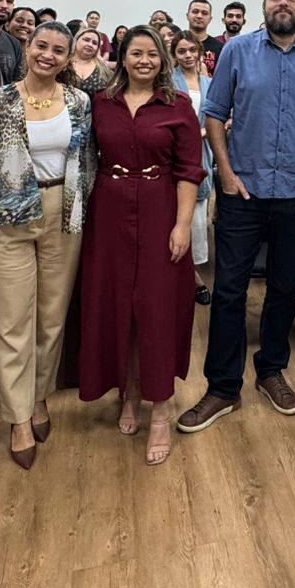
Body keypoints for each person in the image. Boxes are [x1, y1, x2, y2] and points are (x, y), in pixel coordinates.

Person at [178, 0, 295, 433]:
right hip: (243, 193)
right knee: (228, 292)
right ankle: (222, 387)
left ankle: (271, 371)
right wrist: (225, 173)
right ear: (264, 4)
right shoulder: (236, 52)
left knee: (284, 290)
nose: (283, 3)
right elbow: (213, 115)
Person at [79, 27, 205, 465]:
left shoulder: (177, 106)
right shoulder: (101, 103)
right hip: (108, 213)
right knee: (117, 305)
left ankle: (160, 409)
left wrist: (183, 225)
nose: (145, 61)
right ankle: (128, 392)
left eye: (153, 54)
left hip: (160, 209)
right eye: (136, 53)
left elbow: (190, 169)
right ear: (123, 58)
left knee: (155, 309)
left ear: (164, 59)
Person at [0, 21, 94, 468]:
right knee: (11, 320)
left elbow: (86, 160)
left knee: (51, 316)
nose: (48, 55)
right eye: (41, 46)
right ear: (26, 49)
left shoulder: (78, 100)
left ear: (69, 59)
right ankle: (17, 417)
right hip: (9, 214)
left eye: (58, 50)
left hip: (62, 210)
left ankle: (41, 395)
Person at [171, 29, 215, 305]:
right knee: (174, 215)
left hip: (201, 155)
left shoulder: (208, 82)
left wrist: (204, 132)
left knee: (197, 219)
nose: (187, 55)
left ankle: (193, 273)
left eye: (192, 50)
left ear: (200, 53)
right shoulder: (166, 81)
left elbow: (221, 117)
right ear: (173, 55)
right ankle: (183, 274)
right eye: (181, 51)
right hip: (173, 154)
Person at [185, 0, 225, 74]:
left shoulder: (220, 48)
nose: (199, 16)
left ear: (210, 19)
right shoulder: (177, 43)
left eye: (204, 13)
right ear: (187, 16)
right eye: (195, 12)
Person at [68, 27, 112, 92]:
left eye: (94, 43)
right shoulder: (63, 64)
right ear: (76, 40)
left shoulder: (104, 69)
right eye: (86, 40)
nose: (90, 44)